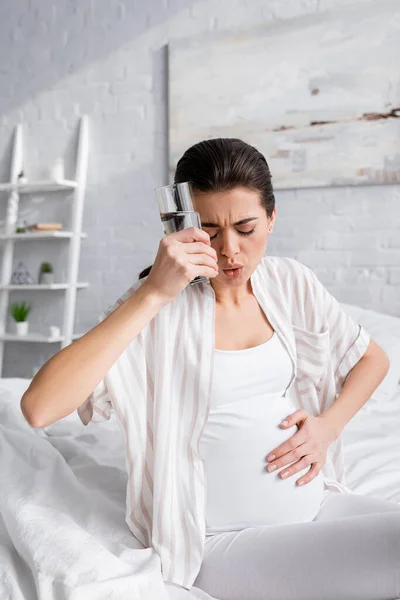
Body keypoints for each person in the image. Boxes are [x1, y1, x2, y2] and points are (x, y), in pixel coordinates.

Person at [20, 138, 400, 600]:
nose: (229, 251)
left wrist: (326, 428)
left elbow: (372, 358)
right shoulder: (157, 304)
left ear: (272, 218)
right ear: (182, 227)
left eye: (245, 228)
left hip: (317, 504)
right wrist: (154, 293)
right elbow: (39, 408)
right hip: (213, 543)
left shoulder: (289, 281)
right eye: (209, 231)